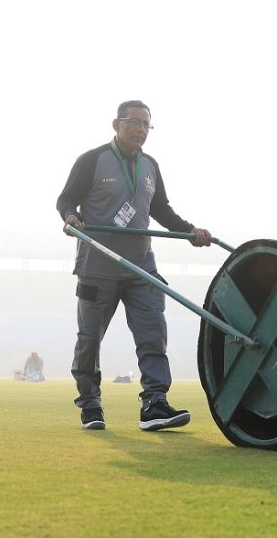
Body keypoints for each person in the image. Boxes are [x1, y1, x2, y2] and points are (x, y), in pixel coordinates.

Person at [57, 100, 212, 432]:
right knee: (89, 339)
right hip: (97, 266)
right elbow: (66, 198)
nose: (141, 129)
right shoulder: (92, 160)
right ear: (116, 124)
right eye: (134, 122)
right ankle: (90, 404)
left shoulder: (151, 166)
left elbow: (162, 210)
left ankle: (154, 404)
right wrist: (70, 216)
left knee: (153, 333)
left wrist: (190, 232)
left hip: (141, 268)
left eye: (146, 124)